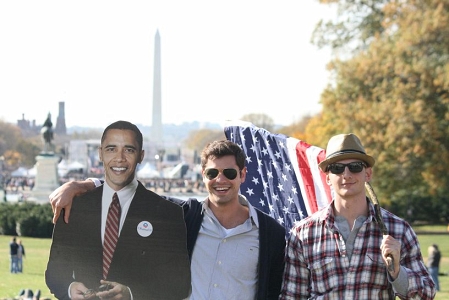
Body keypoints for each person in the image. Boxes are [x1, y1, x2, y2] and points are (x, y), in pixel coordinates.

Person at [49, 139, 286, 299]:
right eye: (212, 173)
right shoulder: (184, 216)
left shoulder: (270, 233)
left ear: (243, 175)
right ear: (203, 176)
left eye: (229, 173)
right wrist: (81, 185)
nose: (220, 180)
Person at [45, 120, 191, 300]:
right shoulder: (74, 207)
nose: (119, 158)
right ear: (100, 153)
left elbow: (180, 284)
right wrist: (70, 288)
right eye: (111, 149)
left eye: (129, 150)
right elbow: (54, 272)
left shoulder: (168, 214)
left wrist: (132, 294)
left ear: (141, 156)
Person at [279, 133, 436, 299]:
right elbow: (291, 296)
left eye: (355, 167)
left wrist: (397, 271)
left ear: (367, 174)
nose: (346, 174)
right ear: (328, 179)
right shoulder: (303, 234)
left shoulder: (398, 230)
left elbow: (426, 295)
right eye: (337, 168)